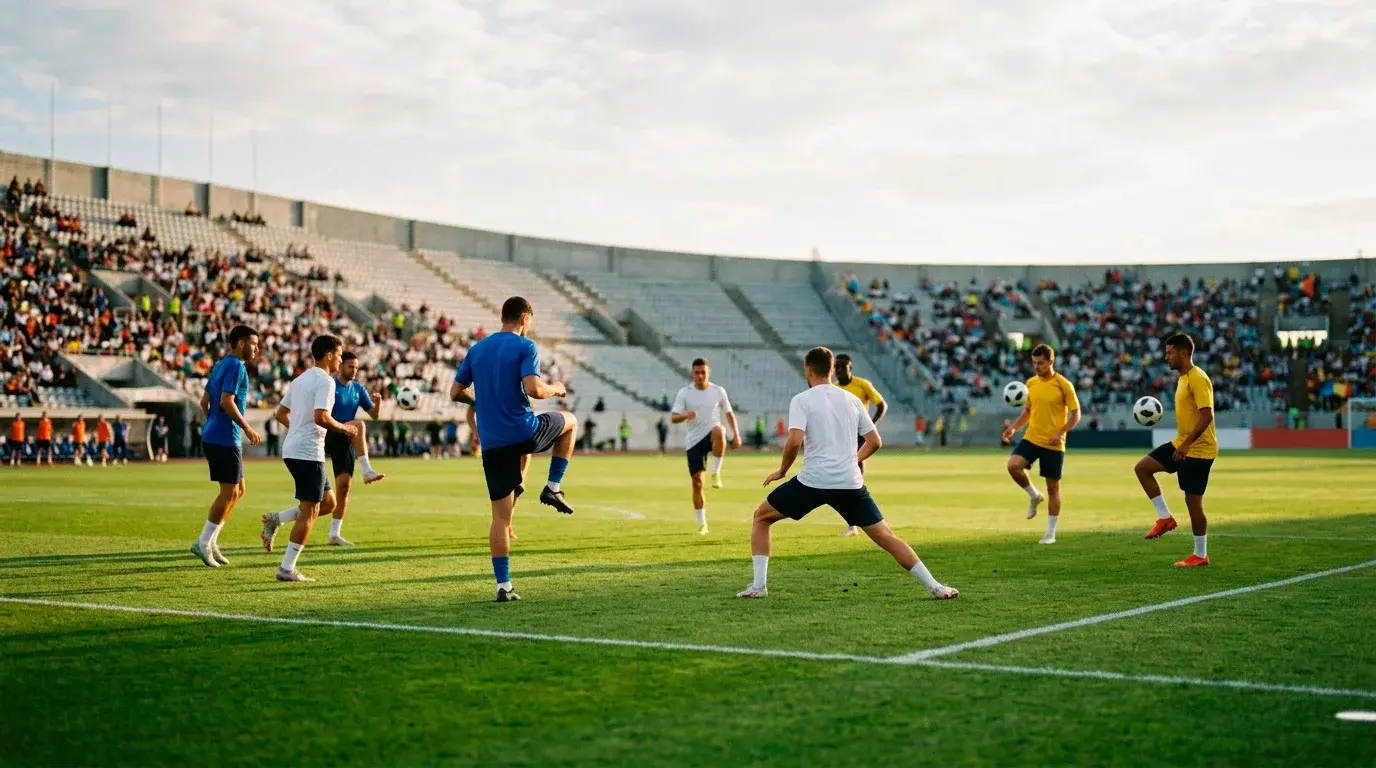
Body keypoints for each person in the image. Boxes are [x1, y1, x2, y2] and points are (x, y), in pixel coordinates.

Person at [737, 347, 959, 600]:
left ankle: (759, 586)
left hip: (813, 482)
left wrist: (782, 471)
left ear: (808, 370)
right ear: (832, 370)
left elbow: (794, 440)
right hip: (849, 482)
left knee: (762, 517)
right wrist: (853, 460)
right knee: (886, 536)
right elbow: (875, 441)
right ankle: (935, 586)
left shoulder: (802, 399)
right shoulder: (852, 400)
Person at [450, 296, 578, 602]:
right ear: (525, 319)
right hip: (523, 432)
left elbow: (456, 392)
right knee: (570, 421)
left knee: (500, 519)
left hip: (493, 443)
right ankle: (553, 486)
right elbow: (534, 389)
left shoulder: (477, 349)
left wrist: (481, 401)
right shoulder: (525, 347)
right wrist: (557, 388)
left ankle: (504, 586)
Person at [264, 349, 387, 549]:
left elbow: (373, 414)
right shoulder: (328, 383)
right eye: (349, 365)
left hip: (344, 437)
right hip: (325, 434)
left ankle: (332, 534)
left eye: (356, 367)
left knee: (340, 492)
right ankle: (367, 469)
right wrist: (303, 428)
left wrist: (378, 404)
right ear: (340, 365)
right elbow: (319, 416)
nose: (354, 370)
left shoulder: (357, 389)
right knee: (359, 425)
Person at [260, 335, 357, 582]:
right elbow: (321, 417)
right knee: (311, 510)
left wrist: (297, 429)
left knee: (328, 503)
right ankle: (286, 568)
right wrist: (345, 429)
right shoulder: (326, 381)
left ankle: (276, 519)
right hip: (307, 452)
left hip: (296, 449)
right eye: (339, 353)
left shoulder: (300, 379)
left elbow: (280, 413)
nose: (340, 358)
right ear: (329, 355)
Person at [1134, 332, 1217, 567]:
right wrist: (1183, 444)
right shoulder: (1182, 379)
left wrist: (1187, 444)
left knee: (1194, 504)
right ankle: (1165, 518)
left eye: (1169, 352)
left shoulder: (1198, 378)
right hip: (1182, 444)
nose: (1165, 356)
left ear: (1183, 353)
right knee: (1143, 468)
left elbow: (1207, 415)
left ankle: (1200, 555)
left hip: (1199, 451)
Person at [190, 325, 263, 568]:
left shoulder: (220, 364)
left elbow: (204, 401)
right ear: (241, 343)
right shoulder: (235, 366)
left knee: (239, 490)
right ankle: (202, 542)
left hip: (217, 434)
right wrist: (247, 428)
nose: (257, 348)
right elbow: (226, 402)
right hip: (224, 437)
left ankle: (211, 541)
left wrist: (212, 422)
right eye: (253, 343)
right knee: (229, 492)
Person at [1001, 345, 1081, 544]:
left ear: (1051, 362)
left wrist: (1060, 432)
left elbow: (1076, 414)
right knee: (1013, 465)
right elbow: (1028, 411)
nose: (1037, 367)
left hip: (1053, 443)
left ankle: (1050, 533)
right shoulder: (1031, 383)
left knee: (1053, 489)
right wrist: (1013, 428)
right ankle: (1034, 495)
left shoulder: (1064, 384)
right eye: (1034, 363)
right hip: (1032, 437)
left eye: (1041, 363)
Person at [671, 357, 741, 535]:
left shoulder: (718, 391)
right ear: (692, 373)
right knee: (697, 483)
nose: (700, 375)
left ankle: (716, 473)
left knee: (719, 430)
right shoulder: (684, 393)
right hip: (694, 441)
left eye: (703, 372)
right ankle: (703, 523)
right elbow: (673, 417)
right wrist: (686, 415)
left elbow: (729, 413)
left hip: (712, 434)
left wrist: (736, 435)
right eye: (697, 372)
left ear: (708, 373)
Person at [834, 354, 888, 536]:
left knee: (853, 471)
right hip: (841, 435)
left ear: (850, 368)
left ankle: (856, 521)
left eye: (842, 366)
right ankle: (855, 521)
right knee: (847, 475)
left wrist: (870, 425)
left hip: (858, 433)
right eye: (836, 366)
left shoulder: (862, 384)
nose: (839, 370)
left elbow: (881, 405)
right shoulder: (833, 388)